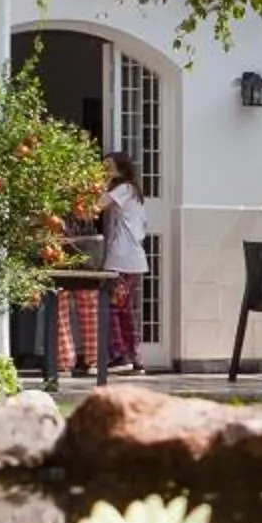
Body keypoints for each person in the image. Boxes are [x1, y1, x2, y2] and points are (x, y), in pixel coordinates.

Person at [98, 150, 150, 374]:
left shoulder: (123, 188)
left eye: (108, 166)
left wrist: (103, 182)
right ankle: (133, 357)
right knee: (124, 309)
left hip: (123, 259)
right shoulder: (133, 191)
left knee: (114, 308)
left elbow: (97, 204)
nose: (105, 170)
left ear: (119, 167)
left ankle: (121, 355)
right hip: (133, 259)